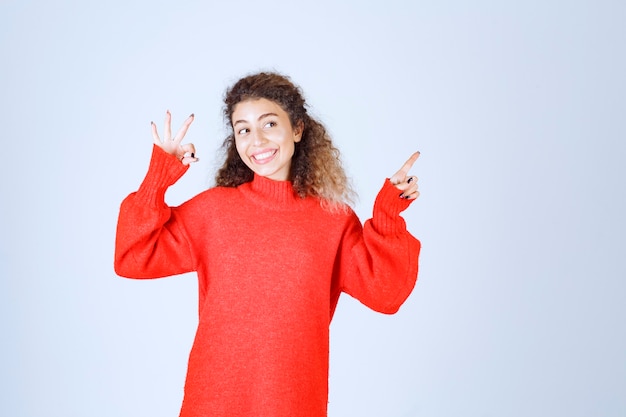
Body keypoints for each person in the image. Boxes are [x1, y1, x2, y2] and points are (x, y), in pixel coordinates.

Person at [114, 72, 421, 417]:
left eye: (269, 123)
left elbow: (385, 292)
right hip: (213, 401)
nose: (256, 140)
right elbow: (132, 257)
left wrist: (387, 216)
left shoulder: (332, 219)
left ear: (298, 129)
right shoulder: (213, 211)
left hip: (294, 403)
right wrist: (158, 177)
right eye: (243, 129)